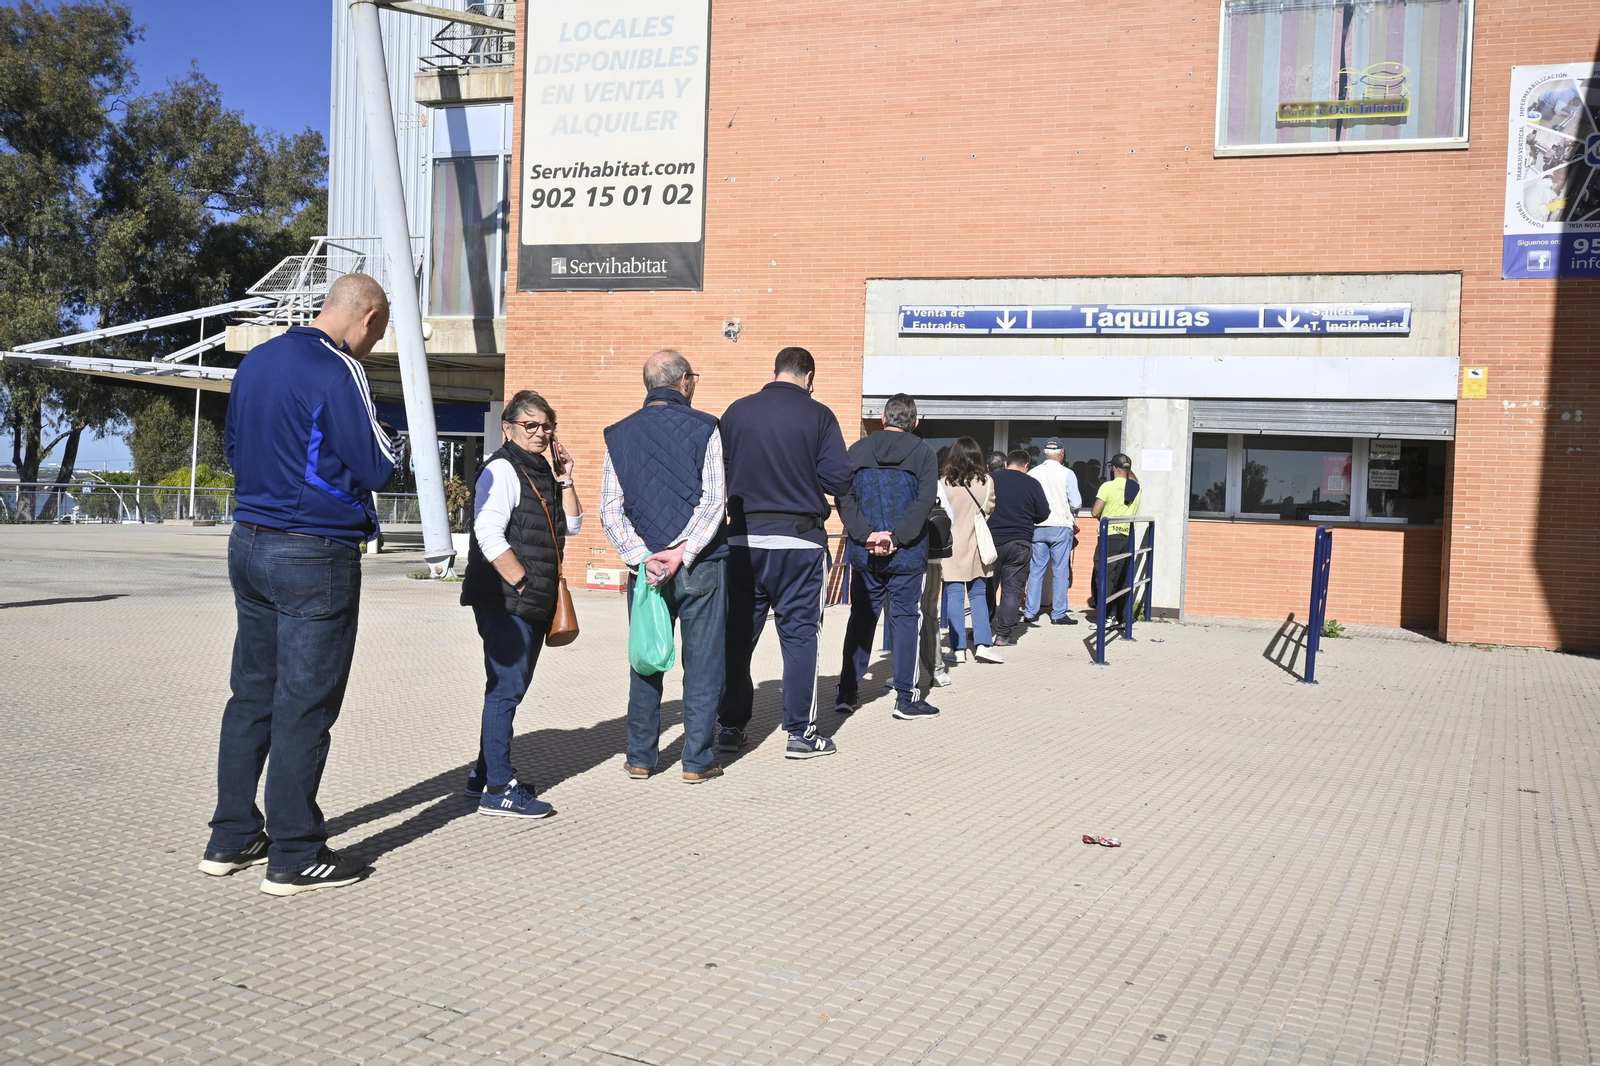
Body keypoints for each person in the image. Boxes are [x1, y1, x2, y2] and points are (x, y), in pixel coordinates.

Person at [201, 273, 396, 897]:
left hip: (249, 540)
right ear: (367, 318)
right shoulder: (340, 369)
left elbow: (234, 447)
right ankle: (295, 853)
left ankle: (232, 835)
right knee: (305, 704)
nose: (372, 345)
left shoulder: (255, 363)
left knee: (252, 694)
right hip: (314, 551)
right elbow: (378, 465)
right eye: (377, 334)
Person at [718, 347, 854, 760]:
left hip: (742, 541)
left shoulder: (737, 412)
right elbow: (838, 480)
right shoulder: (819, 415)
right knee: (800, 638)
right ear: (809, 376)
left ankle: (729, 726)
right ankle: (801, 733)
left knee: (736, 637)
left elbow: (717, 473)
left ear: (775, 370)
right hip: (800, 543)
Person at [601, 350, 728, 784]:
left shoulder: (618, 433)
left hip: (646, 572)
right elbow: (714, 500)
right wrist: (682, 552)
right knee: (703, 666)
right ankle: (697, 762)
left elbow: (610, 510)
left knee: (646, 660)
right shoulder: (706, 426)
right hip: (701, 565)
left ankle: (640, 758)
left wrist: (643, 556)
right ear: (685, 382)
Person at [458, 389, 584, 818]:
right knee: (506, 688)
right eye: (530, 424)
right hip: (505, 598)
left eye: (547, 426)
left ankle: (484, 775)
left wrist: (566, 477)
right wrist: (524, 583)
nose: (540, 432)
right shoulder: (503, 469)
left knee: (507, 687)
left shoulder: (542, 470)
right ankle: (498, 789)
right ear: (508, 427)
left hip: (527, 599)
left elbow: (574, 525)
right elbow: (487, 532)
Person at [836, 393, 941, 720]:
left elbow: (844, 496)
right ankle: (906, 698)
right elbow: (925, 502)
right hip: (907, 555)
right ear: (915, 423)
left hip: (865, 553)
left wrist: (866, 535)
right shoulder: (924, 453)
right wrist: (895, 538)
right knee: (906, 620)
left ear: (883, 419)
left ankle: (847, 692)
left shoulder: (858, 449)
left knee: (861, 618)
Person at [939, 436, 1004, 664]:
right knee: (978, 594)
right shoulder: (987, 482)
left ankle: (958, 649)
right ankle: (983, 644)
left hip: (951, 544)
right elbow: (990, 508)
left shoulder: (944, 482)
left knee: (954, 596)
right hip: (977, 543)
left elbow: (939, 511)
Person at [988, 448, 1051, 648]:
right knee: (1012, 591)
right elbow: (1043, 513)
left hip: (991, 542)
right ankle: (1003, 635)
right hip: (1019, 542)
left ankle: (981, 631)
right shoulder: (1032, 484)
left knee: (987, 588)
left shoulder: (991, 479)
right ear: (1026, 465)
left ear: (1006, 463)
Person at [1025, 438, 1082, 626]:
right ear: (1062, 453)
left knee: (1036, 570)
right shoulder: (1067, 473)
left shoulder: (1033, 473)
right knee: (1060, 571)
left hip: (1037, 526)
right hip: (1060, 525)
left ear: (1044, 453)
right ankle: (1058, 613)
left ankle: (1030, 611)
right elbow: (1076, 502)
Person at [1089, 452, 1143, 620]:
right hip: (1126, 536)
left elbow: (1095, 512)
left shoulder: (1107, 487)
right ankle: (1121, 616)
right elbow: (1134, 480)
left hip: (1109, 536)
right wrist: (1128, 469)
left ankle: (1106, 616)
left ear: (1113, 468)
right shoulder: (1136, 488)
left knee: (1104, 576)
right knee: (1121, 576)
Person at [915, 493, 954, 697]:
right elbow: (949, 518)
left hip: (900, 559)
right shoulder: (934, 484)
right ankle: (937, 670)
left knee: (899, 616)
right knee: (929, 613)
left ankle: (903, 673)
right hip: (931, 558)